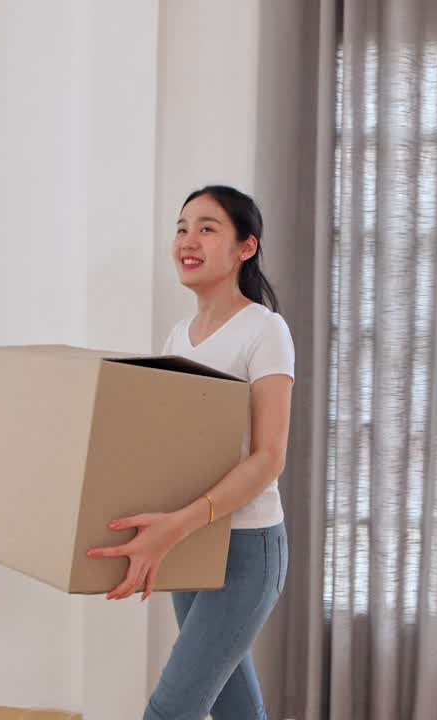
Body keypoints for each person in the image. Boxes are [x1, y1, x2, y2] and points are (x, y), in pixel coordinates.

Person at [86, 185, 294, 720]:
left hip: (247, 548)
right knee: (232, 707)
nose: (188, 240)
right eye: (181, 228)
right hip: (190, 542)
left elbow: (269, 458)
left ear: (245, 248)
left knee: (171, 710)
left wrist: (177, 525)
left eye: (207, 227)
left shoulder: (265, 330)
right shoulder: (179, 336)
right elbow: (172, 449)